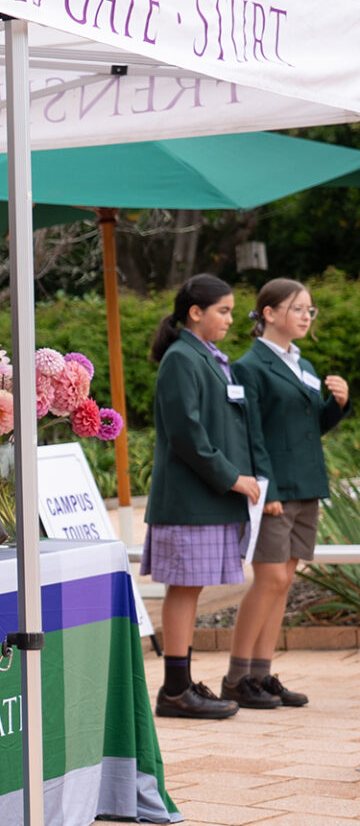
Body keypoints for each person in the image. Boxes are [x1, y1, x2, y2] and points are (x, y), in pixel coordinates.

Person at [226, 278, 350, 707]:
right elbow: (250, 433)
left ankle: (263, 675)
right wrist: (267, 487)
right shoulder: (249, 366)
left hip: (307, 484)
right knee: (270, 577)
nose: (305, 316)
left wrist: (338, 404)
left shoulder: (306, 366)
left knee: (284, 581)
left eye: (309, 310)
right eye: (297, 308)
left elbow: (311, 428)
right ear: (269, 313)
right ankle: (237, 677)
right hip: (274, 488)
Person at [143, 273, 261, 719]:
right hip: (190, 500)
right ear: (196, 312)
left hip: (205, 499)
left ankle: (183, 684)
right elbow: (186, 434)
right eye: (224, 311)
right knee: (185, 588)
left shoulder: (207, 356)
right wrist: (232, 478)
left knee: (190, 588)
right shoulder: (182, 358)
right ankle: (175, 690)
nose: (231, 319)